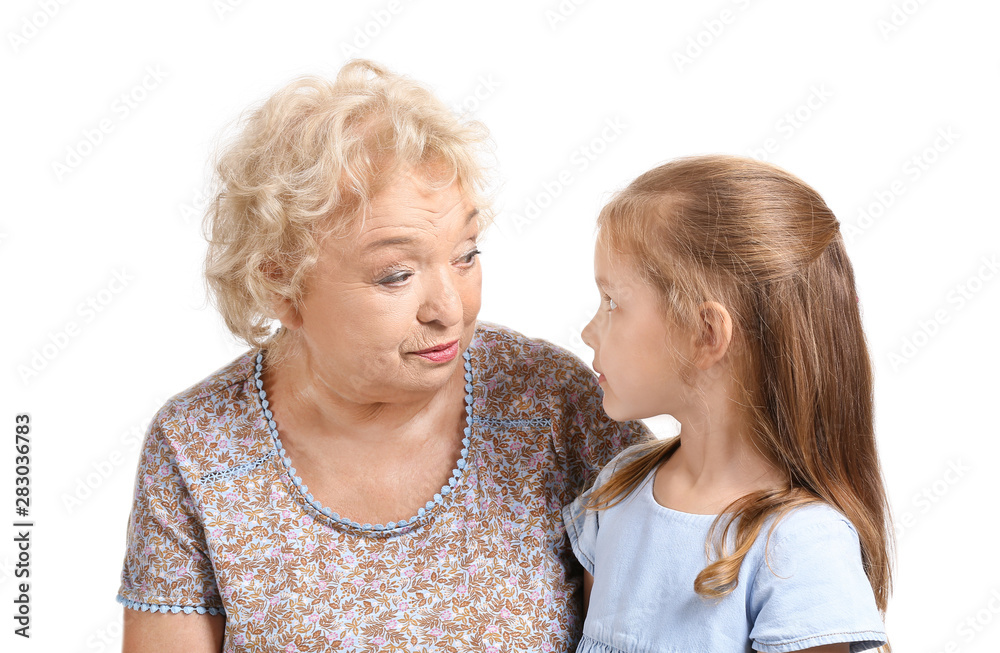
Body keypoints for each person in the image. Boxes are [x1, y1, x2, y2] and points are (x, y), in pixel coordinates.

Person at [116, 59, 649, 652]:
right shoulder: (197, 446)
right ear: (281, 285)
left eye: (466, 254)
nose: (448, 307)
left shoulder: (553, 404)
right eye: (396, 275)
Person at [563, 155, 893, 652]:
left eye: (612, 302)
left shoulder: (800, 547)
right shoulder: (617, 491)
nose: (589, 329)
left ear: (705, 334)